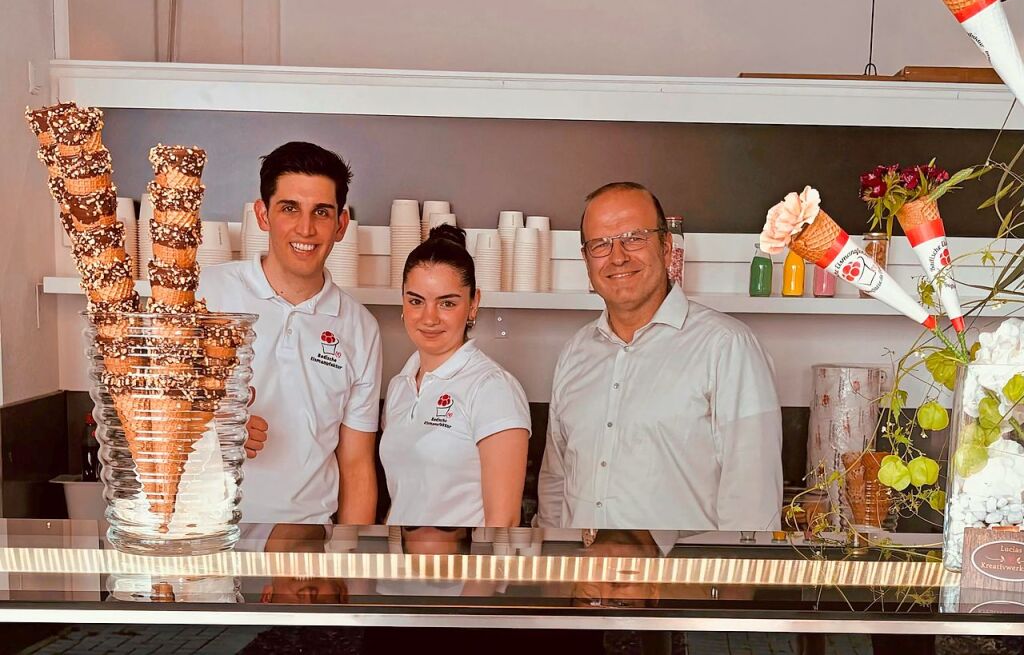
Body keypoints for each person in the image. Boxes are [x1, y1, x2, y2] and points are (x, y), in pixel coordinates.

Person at [538, 182, 782, 530]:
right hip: (586, 582)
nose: (618, 256)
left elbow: (753, 504)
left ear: (667, 248)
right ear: (586, 260)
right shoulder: (576, 353)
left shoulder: (727, 347)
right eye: (601, 244)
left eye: (634, 238)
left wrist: (732, 585)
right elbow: (555, 484)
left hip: (684, 583)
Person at [199, 141, 381, 526]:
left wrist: (348, 565)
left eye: (321, 212)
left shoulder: (360, 328)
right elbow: (143, 413)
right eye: (289, 208)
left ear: (341, 224)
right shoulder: (204, 294)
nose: (306, 228)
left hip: (304, 549)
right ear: (263, 215)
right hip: (198, 533)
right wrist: (211, 427)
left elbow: (357, 466)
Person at [378, 224, 531, 527]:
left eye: (447, 303)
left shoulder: (493, 389)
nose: (429, 317)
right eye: (416, 301)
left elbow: (504, 523)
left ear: (473, 303)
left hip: (461, 573)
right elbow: (404, 498)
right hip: (400, 570)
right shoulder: (400, 386)